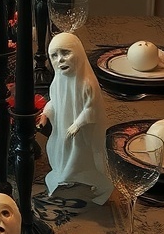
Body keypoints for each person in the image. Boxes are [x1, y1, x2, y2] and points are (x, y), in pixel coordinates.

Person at [38, 32, 112, 203]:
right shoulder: (57, 82)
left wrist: (78, 124)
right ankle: (63, 177)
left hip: (81, 133)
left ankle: (96, 183)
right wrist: (45, 114)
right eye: (54, 56)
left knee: (79, 157)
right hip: (62, 130)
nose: (60, 60)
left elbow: (91, 108)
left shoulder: (86, 83)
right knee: (58, 152)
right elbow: (54, 102)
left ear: (78, 53)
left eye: (65, 53)